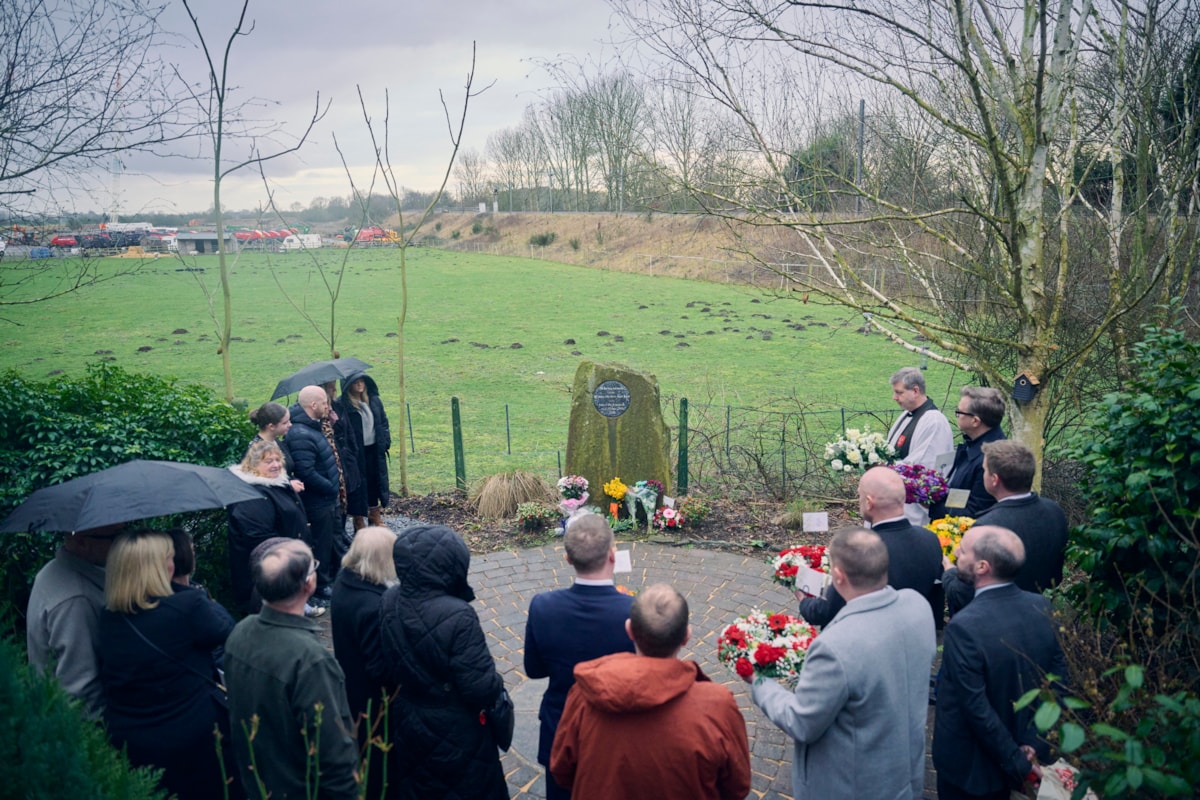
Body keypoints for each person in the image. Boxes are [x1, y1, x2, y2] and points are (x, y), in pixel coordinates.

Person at [751, 528, 936, 800]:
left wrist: (758, 681)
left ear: (837, 576)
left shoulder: (834, 646)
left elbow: (801, 722)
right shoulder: (918, 606)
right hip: (904, 775)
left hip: (854, 787)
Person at [550, 583, 752, 800]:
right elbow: (737, 786)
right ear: (686, 636)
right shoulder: (717, 707)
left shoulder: (584, 694)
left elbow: (561, 770)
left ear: (629, 630)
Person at [98, 530, 239, 800]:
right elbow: (227, 632)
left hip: (132, 742)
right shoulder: (187, 605)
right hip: (193, 739)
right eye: (170, 558)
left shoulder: (108, 617)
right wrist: (191, 590)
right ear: (157, 567)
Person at [933, 525, 1069, 800]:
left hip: (973, 770)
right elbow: (1059, 682)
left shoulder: (964, 627)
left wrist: (1018, 763)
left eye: (964, 550)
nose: (956, 552)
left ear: (982, 566)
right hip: (1024, 746)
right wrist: (1032, 742)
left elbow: (975, 706)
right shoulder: (1043, 607)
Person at [379, 524, 508, 800]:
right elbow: (480, 688)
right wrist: (497, 684)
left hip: (409, 718)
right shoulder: (459, 615)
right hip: (456, 727)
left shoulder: (389, 600)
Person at [225, 538, 359, 800]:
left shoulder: (239, 632)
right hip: (300, 789)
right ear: (309, 584)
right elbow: (334, 753)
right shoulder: (311, 660)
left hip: (258, 784)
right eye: (313, 566)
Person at [524, 513, 636, 800]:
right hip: (615, 733)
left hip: (560, 727)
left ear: (568, 559)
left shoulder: (542, 606)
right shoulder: (633, 611)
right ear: (612, 555)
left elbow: (534, 670)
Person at [799, 467, 943, 626]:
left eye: (860, 495)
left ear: (868, 502)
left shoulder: (861, 551)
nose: (859, 500)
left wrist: (803, 601)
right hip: (912, 628)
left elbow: (825, 611)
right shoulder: (930, 539)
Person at [941, 441, 1069, 616]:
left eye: (985, 470)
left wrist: (949, 571)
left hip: (993, 618)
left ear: (994, 480)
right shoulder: (1054, 511)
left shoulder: (987, 528)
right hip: (1037, 611)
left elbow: (965, 595)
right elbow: (1055, 576)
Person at [26, 524, 121, 718]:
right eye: (114, 538)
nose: (123, 544)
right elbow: (81, 693)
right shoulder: (76, 599)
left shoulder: (54, 570)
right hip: (77, 727)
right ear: (82, 542)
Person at [227, 440, 318, 616]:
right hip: (271, 571)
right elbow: (258, 537)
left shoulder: (277, 483)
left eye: (277, 460)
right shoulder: (253, 495)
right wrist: (289, 554)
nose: (276, 465)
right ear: (253, 465)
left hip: (287, 563)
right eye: (268, 461)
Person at [330, 526, 397, 747]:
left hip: (350, 676)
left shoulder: (345, 579)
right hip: (371, 698)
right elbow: (380, 667)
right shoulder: (372, 607)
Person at [288, 385, 343, 604]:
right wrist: (330, 487)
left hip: (327, 499)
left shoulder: (311, 427)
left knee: (332, 539)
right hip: (318, 501)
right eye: (324, 403)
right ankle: (321, 584)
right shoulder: (300, 434)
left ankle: (334, 577)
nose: (328, 407)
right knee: (321, 543)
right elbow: (306, 472)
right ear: (313, 405)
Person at [886, 367, 954, 524]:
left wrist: (882, 470)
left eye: (899, 392)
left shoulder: (934, 421)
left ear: (915, 391)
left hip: (914, 508)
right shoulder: (907, 414)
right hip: (896, 497)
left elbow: (923, 465)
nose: (894, 397)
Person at [932, 386, 1007, 518]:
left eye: (959, 412)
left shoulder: (990, 460)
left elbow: (975, 512)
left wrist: (932, 505)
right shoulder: (974, 445)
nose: (957, 416)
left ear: (975, 421)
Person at [340, 371, 391, 529]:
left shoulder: (374, 401)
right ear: (349, 385)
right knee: (358, 485)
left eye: (362, 380)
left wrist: (385, 441)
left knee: (374, 482)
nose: (360, 384)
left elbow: (383, 422)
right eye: (356, 381)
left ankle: (374, 515)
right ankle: (358, 519)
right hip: (356, 452)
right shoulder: (345, 405)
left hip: (374, 449)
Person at [248, 400, 304, 493]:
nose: (290, 425)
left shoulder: (276, 442)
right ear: (271, 426)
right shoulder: (257, 451)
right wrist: (289, 487)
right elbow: (260, 485)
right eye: (285, 423)